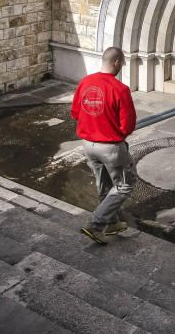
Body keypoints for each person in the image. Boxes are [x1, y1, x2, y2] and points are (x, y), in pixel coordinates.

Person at [70, 46, 137, 244]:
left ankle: (112, 223)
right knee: (125, 184)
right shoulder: (120, 89)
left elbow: (75, 113)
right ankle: (96, 225)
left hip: (88, 145)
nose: (121, 66)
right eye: (122, 63)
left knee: (104, 184)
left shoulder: (85, 82)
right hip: (111, 148)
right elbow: (128, 125)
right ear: (116, 62)